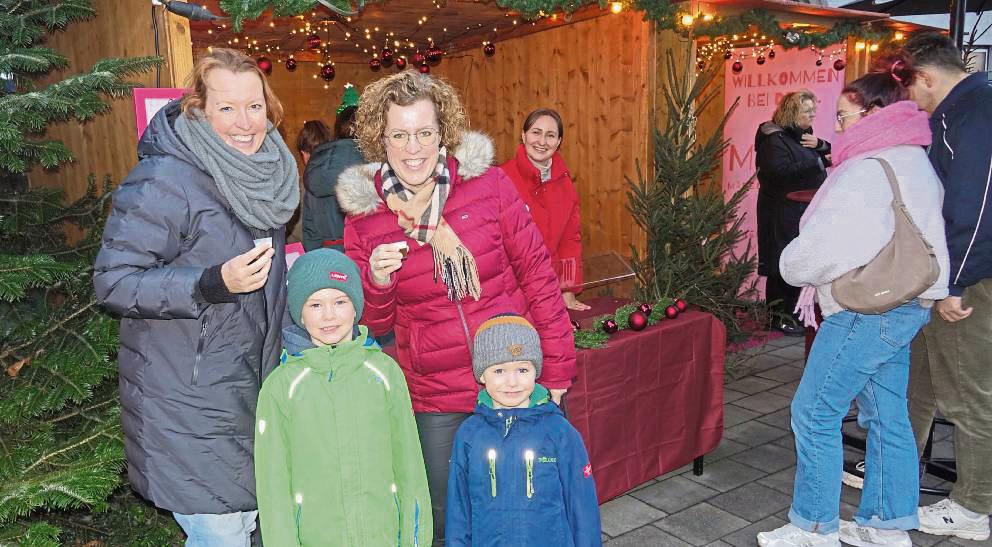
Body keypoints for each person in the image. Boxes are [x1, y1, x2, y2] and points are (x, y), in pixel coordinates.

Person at [336, 70, 577, 546]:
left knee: (527, 507)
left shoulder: (489, 186)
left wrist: (557, 368)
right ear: (380, 138)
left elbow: (538, 276)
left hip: (512, 373)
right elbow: (374, 324)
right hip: (435, 395)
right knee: (446, 518)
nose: (413, 148)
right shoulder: (366, 219)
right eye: (399, 135)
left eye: (424, 132)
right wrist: (377, 281)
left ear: (443, 131)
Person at [93, 48, 298, 545]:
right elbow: (114, 281)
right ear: (199, 109)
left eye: (254, 106)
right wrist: (210, 283)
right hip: (188, 400)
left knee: (246, 526)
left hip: (250, 393)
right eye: (227, 108)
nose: (245, 123)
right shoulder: (165, 179)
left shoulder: (266, 176)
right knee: (222, 533)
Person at [757, 66, 949, 547]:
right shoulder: (912, 156)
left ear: (874, 113)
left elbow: (827, 248)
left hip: (867, 308)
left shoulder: (868, 168)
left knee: (814, 412)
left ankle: (814, 526)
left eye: (844, 117)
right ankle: (887, 524)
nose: (836, 126)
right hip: (904, 304)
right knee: (888, 415)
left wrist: (790, 264)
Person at [254, 249, 432, 546]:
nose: (329, 315)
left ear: (355, 306)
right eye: (315, 304)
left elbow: (410, 466)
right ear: (299, 313)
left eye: (340, 301)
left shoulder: (384, 373)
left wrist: (416, 539)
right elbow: (273, 487)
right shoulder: (281, 387)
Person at [900, 33, 992, 542]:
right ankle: (897, 473)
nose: (911, 100)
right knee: (928, 381)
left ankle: (974, 506)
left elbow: (975, 207)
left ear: (926, 77)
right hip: (956, 272)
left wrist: (955, 281)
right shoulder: (966, 109)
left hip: (970, 279)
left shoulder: (975, 112)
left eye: (910, 87)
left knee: (968, 394)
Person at [445, 314, 601, 546]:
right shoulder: (469, 434)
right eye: (499, 371)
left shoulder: (559, 431)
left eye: (522, 370)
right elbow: (458, 508)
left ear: (535, 371)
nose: (512, 382)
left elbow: (582, 506)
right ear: (482, 375)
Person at [754, 90, 832, 336]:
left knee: (797, 262)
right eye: (807, 111)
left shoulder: (801, 137)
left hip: (801, 211)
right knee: (781, 263)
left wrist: (820, 146)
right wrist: (818, 162)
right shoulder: (773, 140)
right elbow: (778, 173)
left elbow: (830, 152)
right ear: (791, 113)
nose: (813, 115)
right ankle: (778, 317)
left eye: (814, 110)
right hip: (781, 212)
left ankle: (794, 313)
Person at [499, 108, 589, 311]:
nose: (542, 141)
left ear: (558, 142)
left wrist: (568, 290)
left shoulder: (566, 185)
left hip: (548, 290)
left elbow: (569, 240)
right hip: (508, 293)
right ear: (523, 136)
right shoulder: (501, 178)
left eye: (550, 135)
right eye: (536, 132)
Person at [302, 83, 366, 252]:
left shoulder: (316, 165)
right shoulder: (373, 162)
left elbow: (310, 231)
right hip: (367, 256)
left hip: (328, 256)